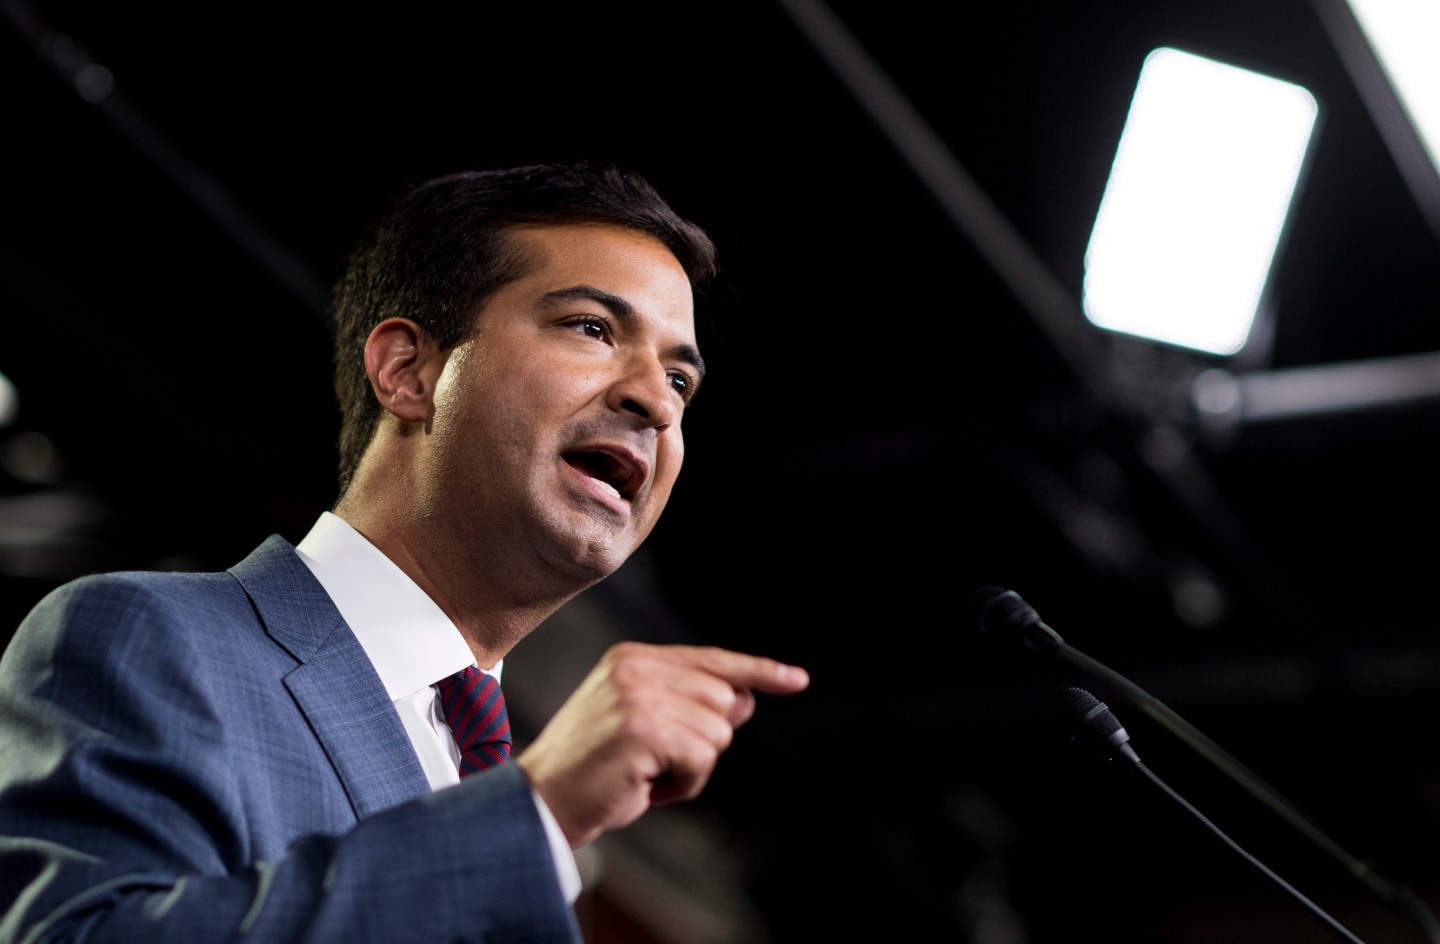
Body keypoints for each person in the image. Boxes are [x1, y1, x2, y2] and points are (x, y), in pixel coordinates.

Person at [0, 160, 810, 943]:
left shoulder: (510, 796)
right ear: (408, 371)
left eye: (680, 382)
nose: (654, 404)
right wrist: (537, 811)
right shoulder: (148, 637)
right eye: (592, 327)